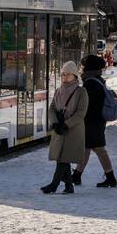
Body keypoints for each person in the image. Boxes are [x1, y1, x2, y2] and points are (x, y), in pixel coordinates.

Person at [42, 61, 87, 195]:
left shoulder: (81, 92)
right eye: (62, 74)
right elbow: (52, 108)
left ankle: (54, 185)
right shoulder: (58, 90)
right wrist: (55, 123)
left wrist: (66, 124)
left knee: (63, 158)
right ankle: (69, 186)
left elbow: (81, 113)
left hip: (72, 131)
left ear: (74, 76)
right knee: (62, 157)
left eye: (67, 75)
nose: (64, 77)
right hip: (59, 130)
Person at [74, 54, 117, 188]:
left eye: (84, 65)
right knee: (87, 148)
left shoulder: (90, 83)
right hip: (96, 121)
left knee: (97, 148)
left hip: (92, 122)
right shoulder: (97, 80)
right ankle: (77, 175)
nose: (81, 68)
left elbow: (88, 104)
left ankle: (110, 177)